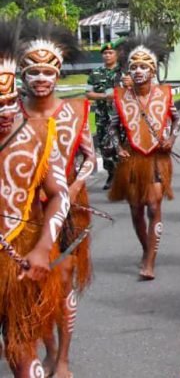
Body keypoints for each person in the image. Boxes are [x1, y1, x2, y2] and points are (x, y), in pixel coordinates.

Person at [18, 21, 95, 378]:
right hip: (21, 214)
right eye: (33, 71)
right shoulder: (12, 114)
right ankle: (44, 349)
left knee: (61, 285)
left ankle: (62, 359)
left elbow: (89, 157)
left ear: (58, 74)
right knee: (31, 288)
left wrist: (75, 187)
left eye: (47, 71)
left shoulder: (76, 111)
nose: (40, 78)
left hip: (69, 212)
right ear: (22, 75)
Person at [0, 20, 70, 378]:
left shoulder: (40, 134)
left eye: (8, 102)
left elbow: (59, 195)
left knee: (22, 344)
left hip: (19, 254)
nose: (3, 113)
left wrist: (43, 246)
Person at [108, 35, 178, 280]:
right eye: (134, 67)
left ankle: (149, 262)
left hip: (157, 159)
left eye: (144, 67)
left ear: (153, 70)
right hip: (132, 160)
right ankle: (146, 249)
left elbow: (176, 120)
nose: (138, 71)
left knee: (153, 205)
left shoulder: (165, 94)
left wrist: (171, 139)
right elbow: (112, 127)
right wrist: (118, 147)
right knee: (136, 209)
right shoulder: (121, 96)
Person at [87, 39, 123, 190]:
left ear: (116, 54)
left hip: (122, 116)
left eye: (110, 52)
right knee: (104, 146)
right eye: (105, 53)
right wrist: (104, 97)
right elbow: (88, 93)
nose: (107, 56)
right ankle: (112, 174)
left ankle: (124, 176)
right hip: (103, 116)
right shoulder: (95, 73)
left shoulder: (124, 72)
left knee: (122, 144)